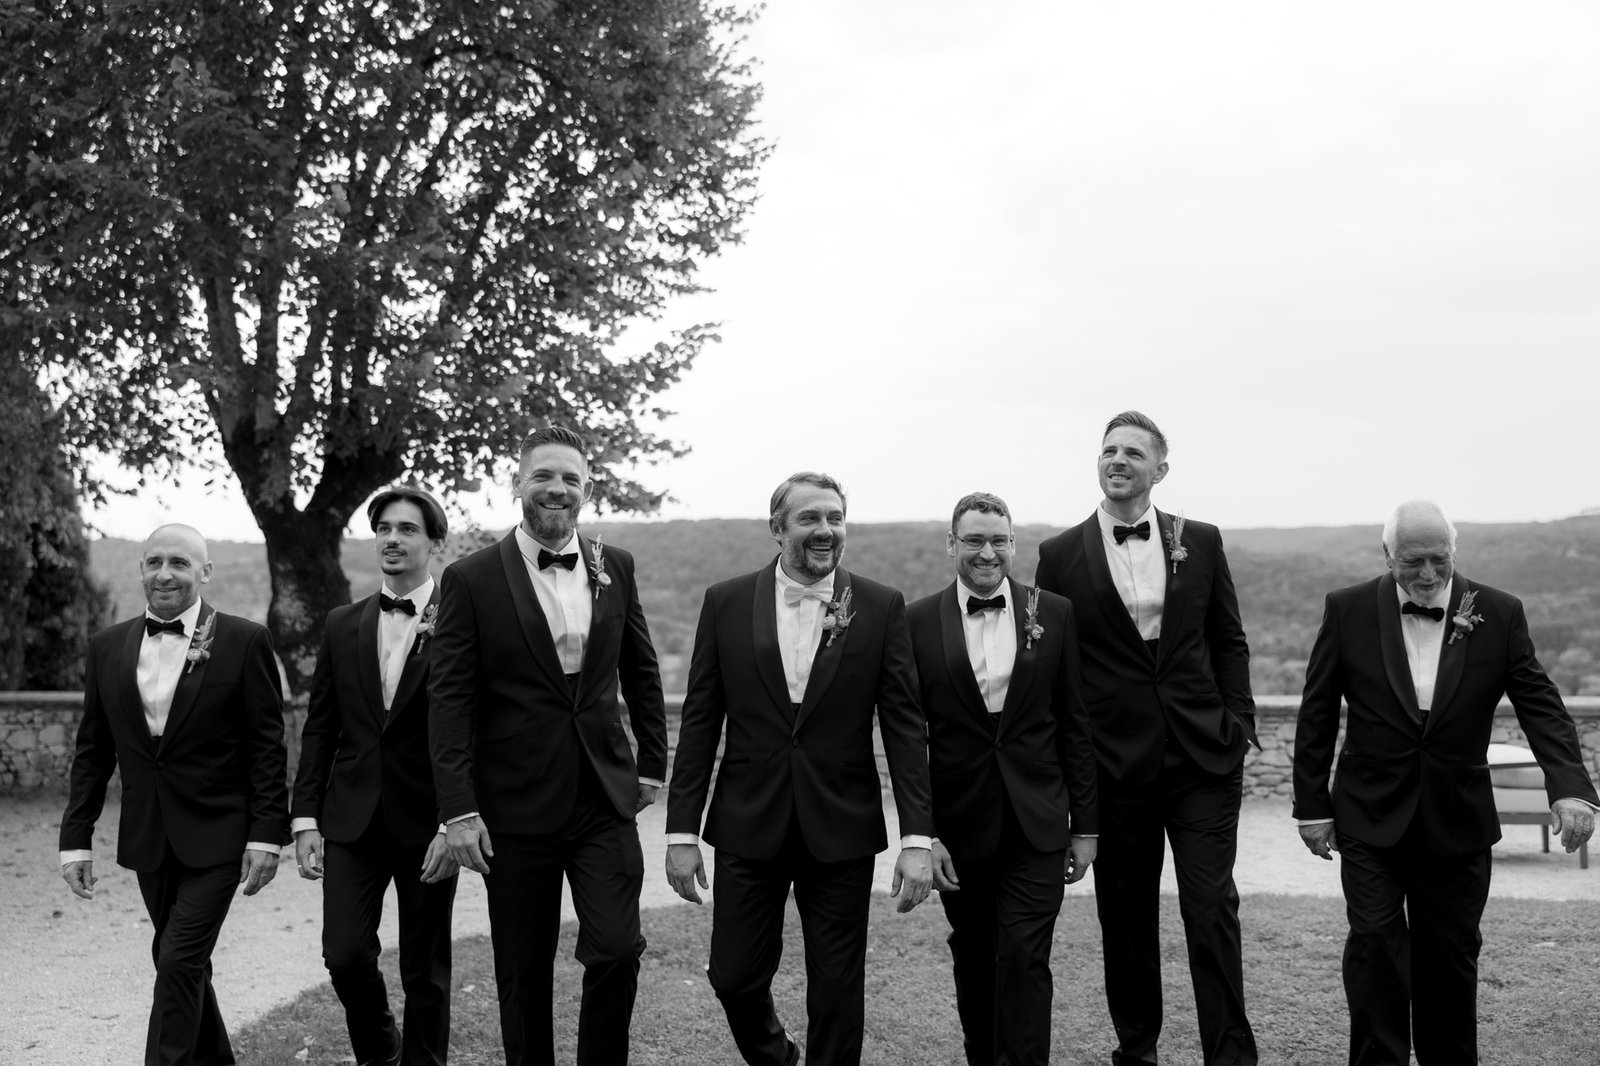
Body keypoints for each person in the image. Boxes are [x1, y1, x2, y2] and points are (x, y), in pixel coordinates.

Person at [1293, 499, 1598, 1066]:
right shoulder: (1347, 609)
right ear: (1388, 556)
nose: (1429, 575)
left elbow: (1541, 705)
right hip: (1368, 814)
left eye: (1439, 560)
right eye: (1413, 562)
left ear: (1454, 554)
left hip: (1457, 819)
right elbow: (1316, 711)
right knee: (1375, 945)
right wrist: (1311, 805)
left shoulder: (1500, 612)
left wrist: (1570, 786)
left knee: (1450, 956)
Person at [664, 471, 935, 1066]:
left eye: (835, 519)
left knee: (837, 988)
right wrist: (682, 833)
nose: (825, 530)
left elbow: (904, 729)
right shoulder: (726, 601)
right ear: (777, 528)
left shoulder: (881, 605)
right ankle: (779, 1058)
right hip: (746, 823)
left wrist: (917, 837)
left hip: (841, 826)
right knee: (733, 976)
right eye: (810, 518)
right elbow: (702, 723)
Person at [429, 425, 669, 1066]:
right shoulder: (470, 578)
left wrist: (652, 762)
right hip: (513, 806)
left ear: (586, 490)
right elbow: (448, 700)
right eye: (543, 476)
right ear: (518, 485)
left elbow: (641, 669)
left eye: (570, 478)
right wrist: (458, 809)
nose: (556, 489)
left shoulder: (613, 565)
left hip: (601, 794)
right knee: (523, 968)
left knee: (618, 947)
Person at [1035, 411, 1259, 1066]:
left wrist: (1238, 723)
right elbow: (1052, 663)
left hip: (1203, 757)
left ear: (1160, 469)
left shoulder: (1204, 540)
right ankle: (1138, 1051)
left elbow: (1228, 640)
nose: (1118, 459)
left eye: (1133, 452)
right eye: (1108, 450)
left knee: (1211, 908)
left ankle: (1231, 1055)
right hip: (1114, 766)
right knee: (1125, 920)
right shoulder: (1059, 554)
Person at [59, 523, 289, 1066]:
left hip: (220, 834)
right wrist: (76, 840)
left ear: (204, 572)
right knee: (176, 958)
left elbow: (266, 748)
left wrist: (266, 835)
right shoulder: (108, 646)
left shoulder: (243, 639)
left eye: (180, 563)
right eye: (155, 561)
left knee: (180, 959)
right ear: (141, 569)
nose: (166, 573)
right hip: (148, 837)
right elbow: (93, 751)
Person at [907, 492, 1099, 1066]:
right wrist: (924, 833)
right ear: (952, 546)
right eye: (973, 540)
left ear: (1013, 545)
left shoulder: (1056, 613)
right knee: (974, 954)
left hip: (1036, 820)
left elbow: (1075, 726)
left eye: (998, 540)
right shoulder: (915, 621)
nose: (987, 552)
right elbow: (907, 738)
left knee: (1023, 956)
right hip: (958, 829)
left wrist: (1086, 826)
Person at [292, 486, 459, 1066]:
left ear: (435, 544)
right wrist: (305, 817)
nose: (392, 537)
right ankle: (379, 1052)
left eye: (407, 528)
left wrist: (454, 820)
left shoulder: (463, 623)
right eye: (384, 527)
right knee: (344, 954)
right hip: (350, 820)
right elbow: (320, 729)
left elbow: (476, 734)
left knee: (425, 968)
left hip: (429, 822)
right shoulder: (342, 624)